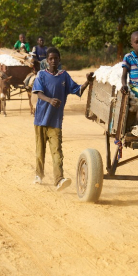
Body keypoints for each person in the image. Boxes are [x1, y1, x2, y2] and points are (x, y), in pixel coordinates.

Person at [32, 47, 94, 191]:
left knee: (57, 151)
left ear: (59, 60)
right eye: (51, 59)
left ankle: (59, 179)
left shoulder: (64, 76)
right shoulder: (41, 75)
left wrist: (87, 82)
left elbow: (77, 90)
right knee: (40, 150)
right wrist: (49, 100)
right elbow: (39, 93)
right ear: (47, 61)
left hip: (55, 121)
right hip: (40, 119)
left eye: (56, 58)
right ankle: (38, 175)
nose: (53, 61)